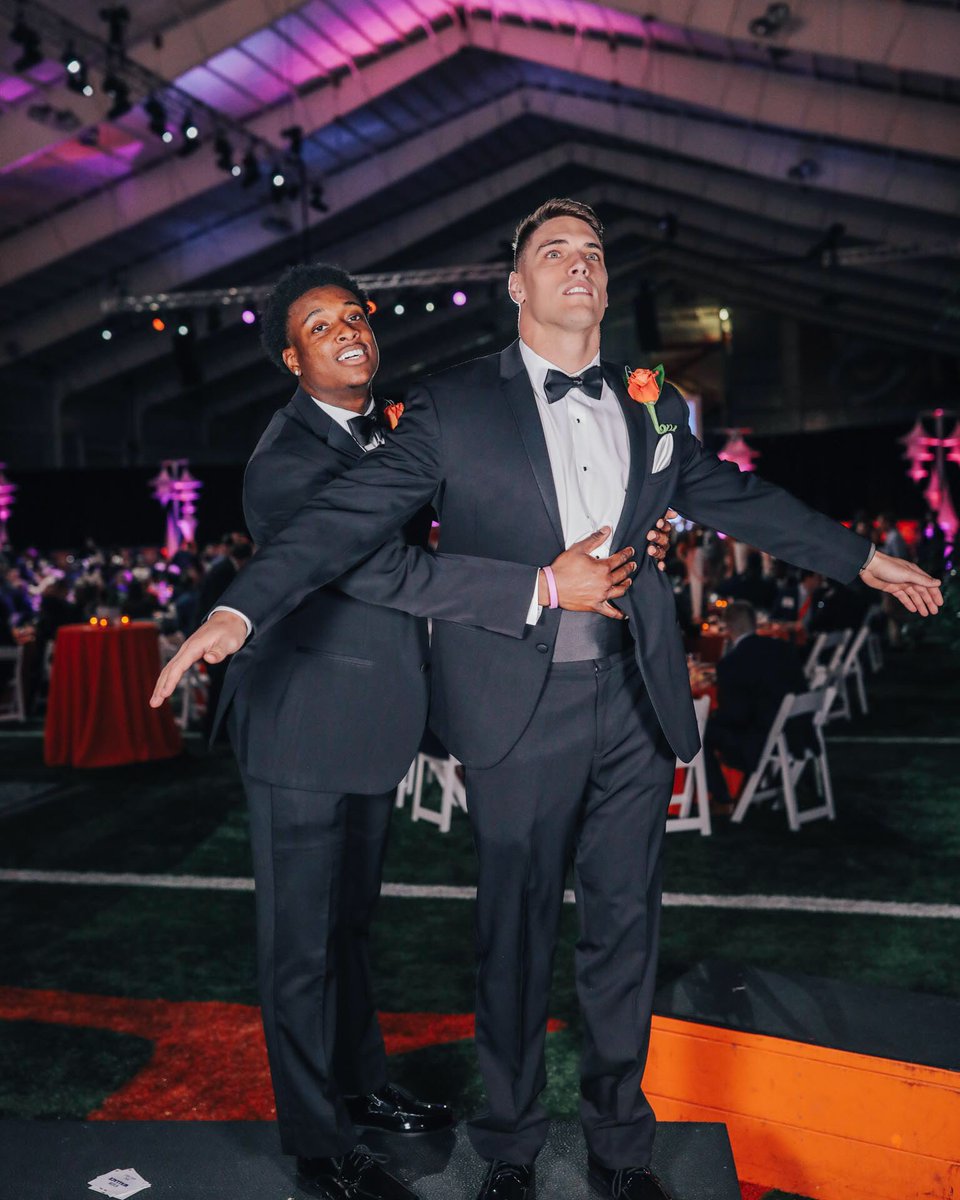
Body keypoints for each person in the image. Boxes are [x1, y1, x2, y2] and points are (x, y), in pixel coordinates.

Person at [153, 199, 942, 1200]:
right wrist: (240, 610)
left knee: (626, 933)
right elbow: (341, 520)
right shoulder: (449, 404)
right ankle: (511, 1148)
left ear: (605, 285)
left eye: (594, 253)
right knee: (514, 938)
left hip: (636, 696)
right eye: (555, 251)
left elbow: (736, 498)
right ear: (516, 285)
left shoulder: (655, 404)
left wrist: (861, 558)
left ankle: (621, 1148)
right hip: (517, 704)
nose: (580, 264)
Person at [173, 260, 671, 1200]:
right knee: (299, 945)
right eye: (320, 327)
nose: (347, 332)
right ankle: (320, 1145)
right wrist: (541, 587)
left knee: (349, 927)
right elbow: (379, 574)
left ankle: (360, 1086)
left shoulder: (393, 426)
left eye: (353, 315)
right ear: (291, 360)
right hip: (299, 725)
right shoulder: (285, 460)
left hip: (373, 722)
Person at [702, 600, 808, 807]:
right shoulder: (784, 649)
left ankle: (722, 797)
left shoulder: (731, 663)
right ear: (753, 623)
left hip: (760, 740)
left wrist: (711, 716)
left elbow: (734, 716)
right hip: (796, 731)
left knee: (698, 731)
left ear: (728, 629)